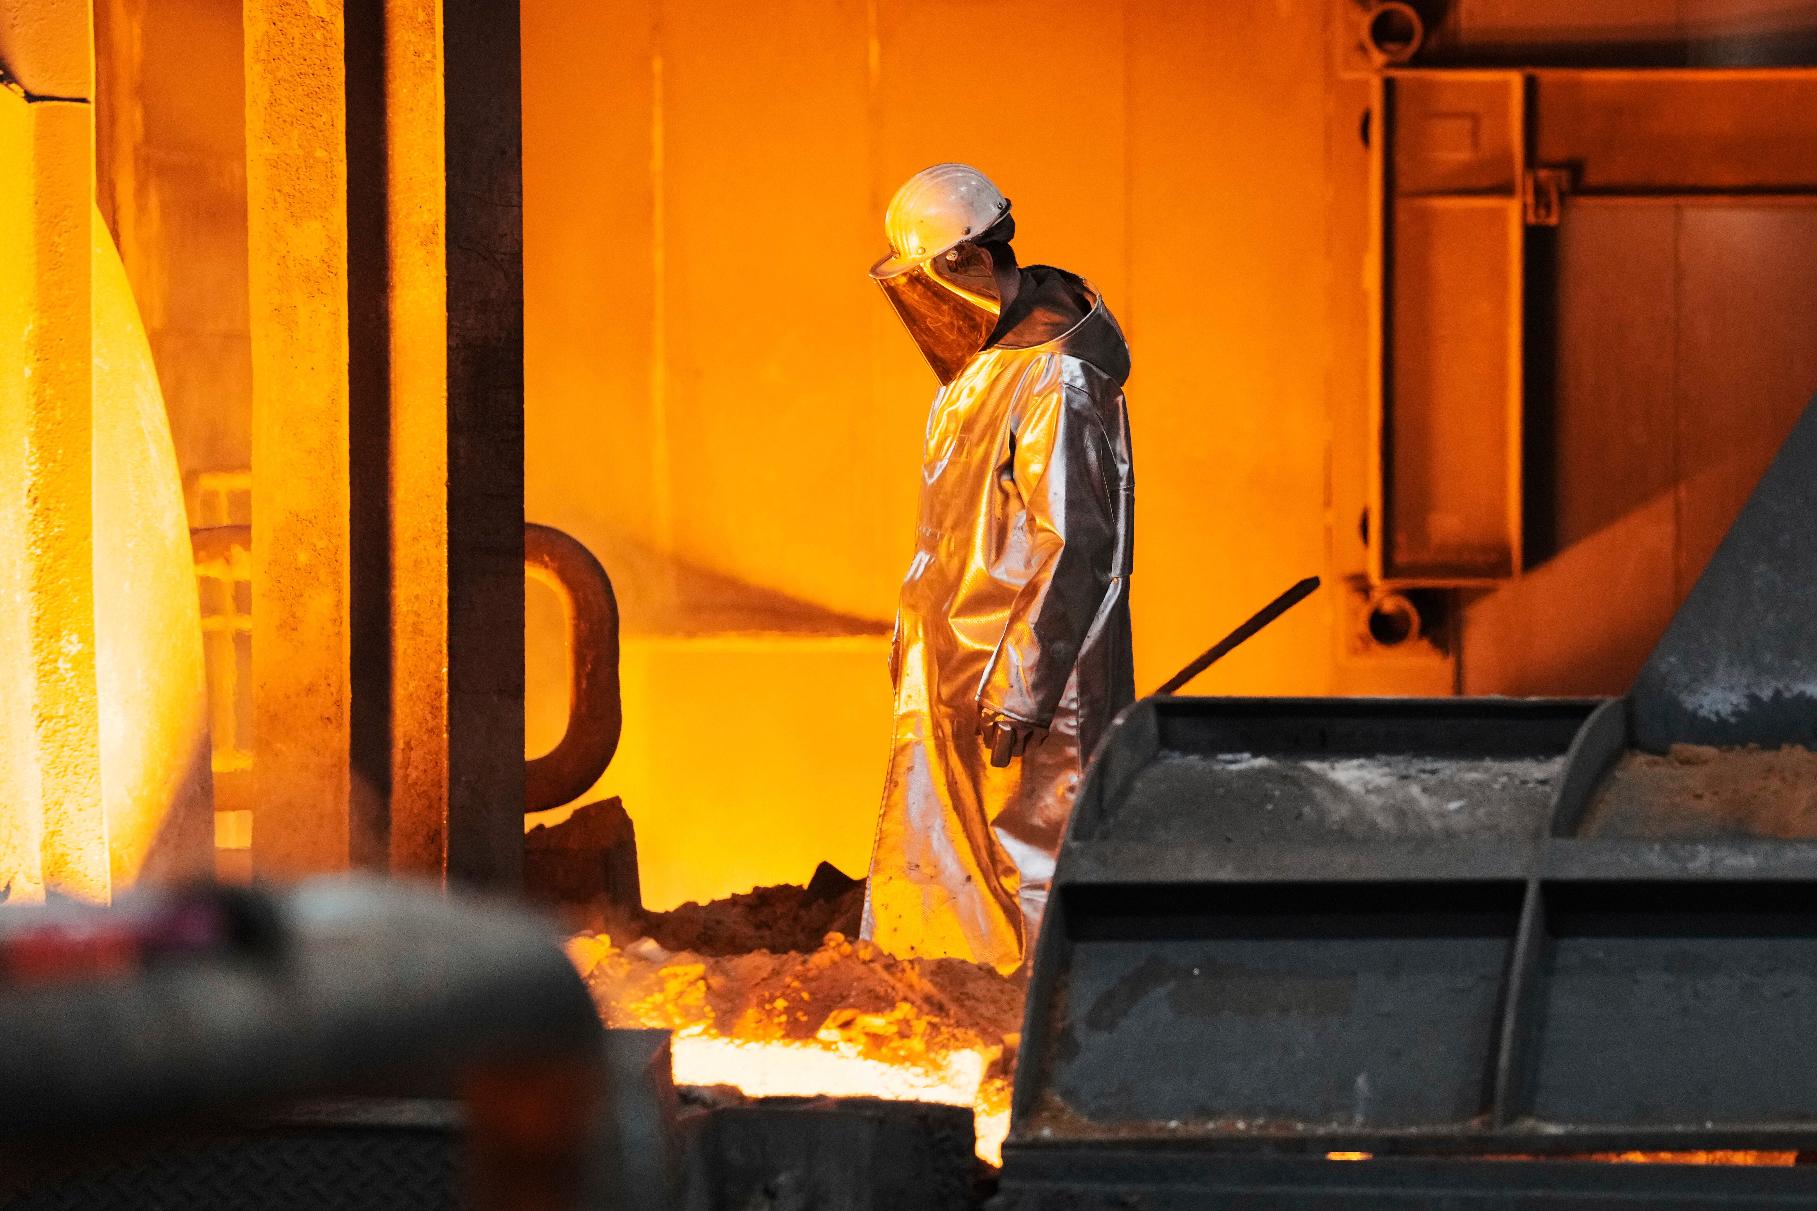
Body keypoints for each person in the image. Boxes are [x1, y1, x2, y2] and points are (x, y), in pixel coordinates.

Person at [860, 163, 1135, 974]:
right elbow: (953, 535)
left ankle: (1032, 1067)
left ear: (972, 265)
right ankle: (962, 1039)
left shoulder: (1057, 375)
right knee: (959, 894)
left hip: (1025, 698)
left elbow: (1075, 542)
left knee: (1036, 878)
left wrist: (1022, 685)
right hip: (959, 674)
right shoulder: (991, 364)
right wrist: (915, 645)